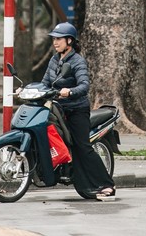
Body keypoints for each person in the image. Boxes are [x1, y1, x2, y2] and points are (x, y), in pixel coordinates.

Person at [41, 21, 116, 201]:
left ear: (69, 41)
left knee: (82, 147)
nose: (55, 42)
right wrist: (30, 89)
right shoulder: (54, 59)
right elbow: (44, 82)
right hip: (58, 109)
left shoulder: (77, 61)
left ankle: (107, 184)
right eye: (54, 39)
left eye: (59, 39)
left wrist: (70, 91)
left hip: (76, 110)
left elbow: (84, 85)